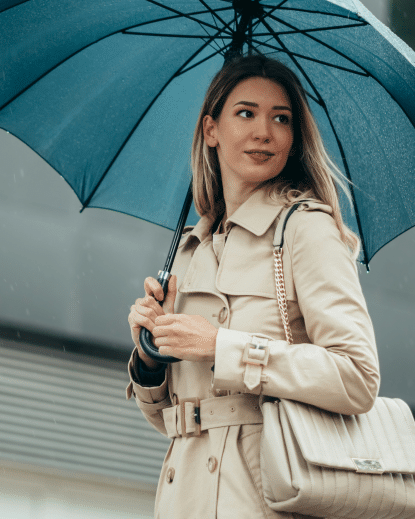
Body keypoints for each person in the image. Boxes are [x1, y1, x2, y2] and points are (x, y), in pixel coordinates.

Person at [125, 54, 380, 519]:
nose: (265, 131)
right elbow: (173, 419)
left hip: (264, 500)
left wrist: (222, 346)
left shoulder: (306, 230)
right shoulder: (190, 249)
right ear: (210, 131)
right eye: (246, 113)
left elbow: (358, 377)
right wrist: (149, 354)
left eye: (280, 119)